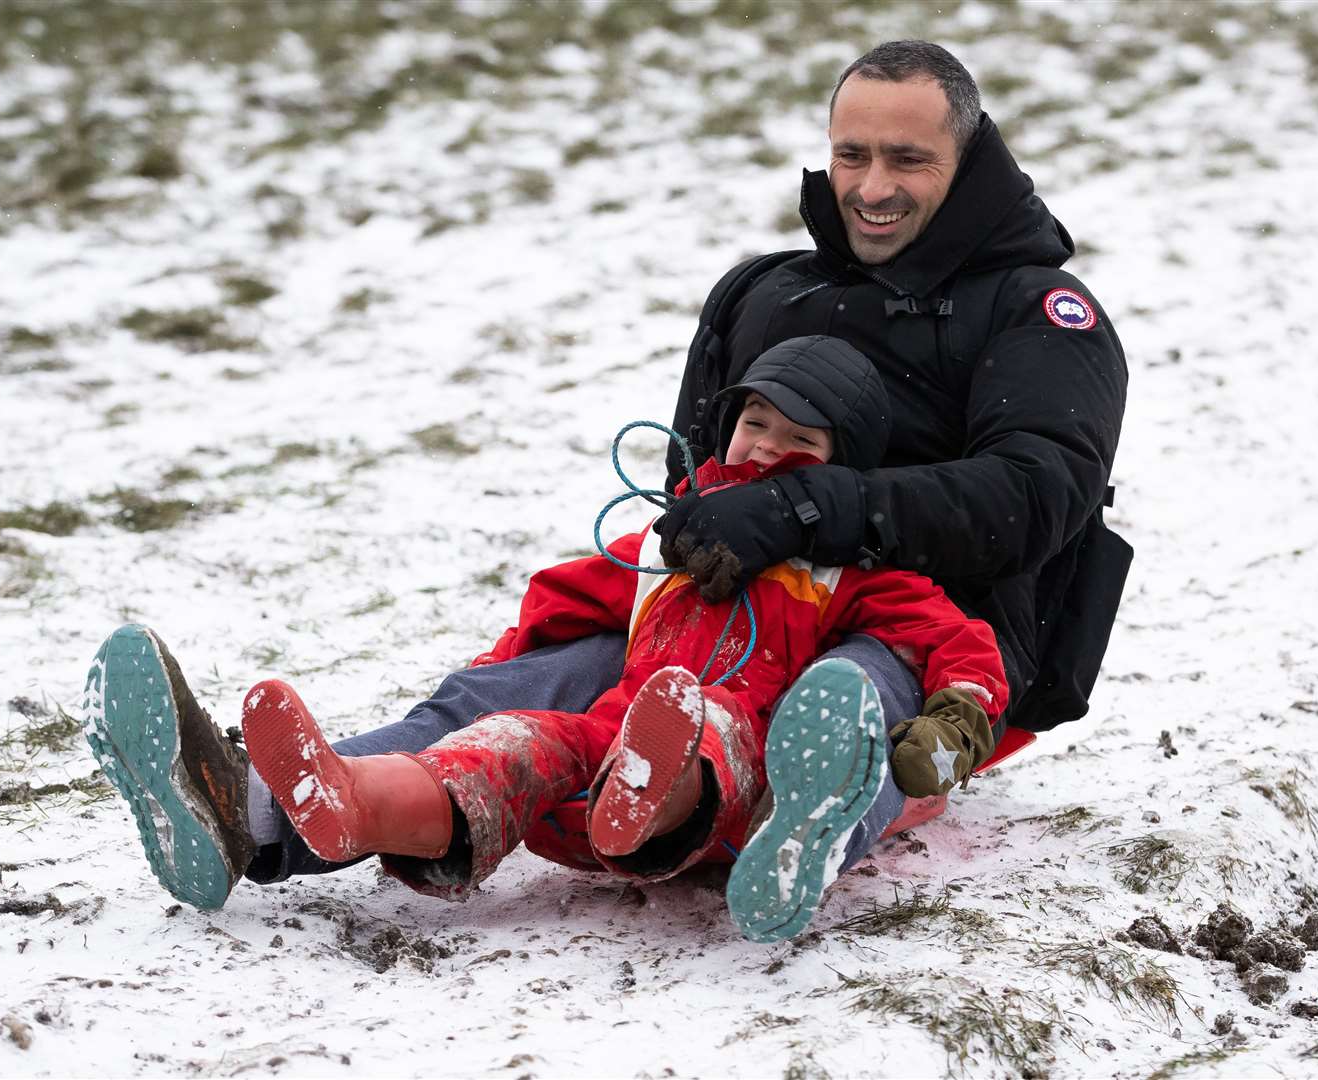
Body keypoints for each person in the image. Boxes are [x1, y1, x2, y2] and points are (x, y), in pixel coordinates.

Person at [83, 39, 1129, 939]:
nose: (870, 185)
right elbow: (692, 480)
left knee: (832, 708)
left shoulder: (1037, 314)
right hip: (728, 619)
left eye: (910, 158)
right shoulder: (770, 292)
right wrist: (655, 571)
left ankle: (789, 822)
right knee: (493, 703)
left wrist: (806, 511)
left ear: (970, 158)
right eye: (852, 153)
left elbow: (1036, 495)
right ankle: (250, 807)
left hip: (915, 643)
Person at [86, 338, 1009, 943]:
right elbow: (560, 602)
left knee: (710, 721)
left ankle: (708, 807)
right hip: (605, 744)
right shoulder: (668, 553)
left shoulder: (849, 574)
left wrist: (956, 721)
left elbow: (953, 640)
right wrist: (493, 681)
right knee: (505, 745)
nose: (765, 448)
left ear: (844, 470)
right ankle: (352, 800)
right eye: (753, 424)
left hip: (725, 760)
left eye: (798, 438)